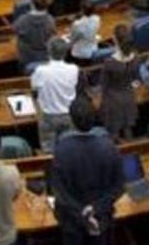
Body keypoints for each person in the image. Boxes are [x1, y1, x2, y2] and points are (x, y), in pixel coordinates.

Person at [51, 95, 125, 244]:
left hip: (72, 220)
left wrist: (82, 212)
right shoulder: (110, 147)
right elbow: (119, 187)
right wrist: (95, 209)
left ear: (71, 119)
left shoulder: (60, 151)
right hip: (101, 217)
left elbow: (59, 192)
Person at [31, 38, 80, 152]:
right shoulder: (74, 69)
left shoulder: (41, 71)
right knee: (69, 147)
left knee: (49, 151)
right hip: (68, 115)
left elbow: (34, 88)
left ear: (49, 52)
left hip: (48, 116)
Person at [99, 24, 139, 139]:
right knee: (128, 129)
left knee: (113, 132)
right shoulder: (135, 57)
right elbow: (136, 80)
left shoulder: (110, 63)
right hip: (129, 97)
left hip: (113, 101)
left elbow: (104, 84)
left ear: (115, 40)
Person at [14, 0, 56, 73]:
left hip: (28, 57)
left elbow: (15, 30)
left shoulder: (22, 20)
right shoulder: (50, 20)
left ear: (32, 5)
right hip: (45, 56)